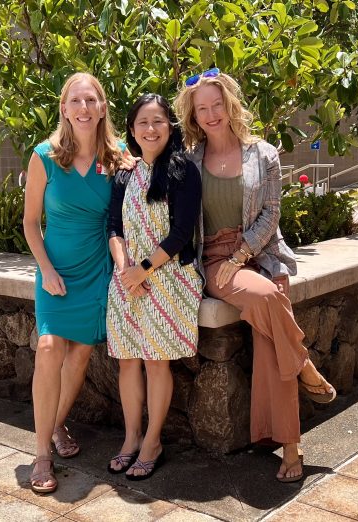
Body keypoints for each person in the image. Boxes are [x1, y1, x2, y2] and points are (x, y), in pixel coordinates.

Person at [174, 69, 336, 483]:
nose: (211, 115)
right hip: (214, 260)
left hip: (260, 255)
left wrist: (244, 253)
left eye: (216, 105)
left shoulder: (263, 153)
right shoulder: (190, 160)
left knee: (268, 343)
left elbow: (271, 213)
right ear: (193, 115)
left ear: (230, 104)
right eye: (202, 109)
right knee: (266, 299)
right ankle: (303, 365)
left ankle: (290, 446)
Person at [23, 72, 126, 493]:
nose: (84, 109)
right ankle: (42, 452)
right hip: (55, 272)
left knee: (80, 356)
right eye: (76, 101)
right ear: (64, 108)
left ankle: (58, 423)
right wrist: (46, 269)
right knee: (49, 347)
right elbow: (31, 224)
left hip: (96, 272)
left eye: (92, 100)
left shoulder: (118, 156)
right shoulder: (45, 156)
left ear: (102, 107)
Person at [106, 94, 202, 480]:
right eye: (142, 122)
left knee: (155, 361)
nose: (150, 129)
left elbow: (181, 232)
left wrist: (142, 270)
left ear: (170, 126)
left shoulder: (182, 171)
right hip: (126, 280)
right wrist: (125, 268)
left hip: (168, 279)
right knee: (128, 359)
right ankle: (131, 438)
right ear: (132, 130)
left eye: (158, 121)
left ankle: (153, 442)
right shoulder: (124, 174)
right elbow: (113, 227)